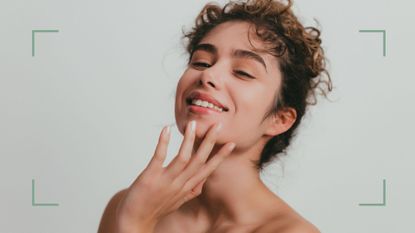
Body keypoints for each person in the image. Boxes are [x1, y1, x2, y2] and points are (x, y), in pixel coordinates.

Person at [98, 0, 333, 232]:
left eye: (242, 72)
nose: (208, 74)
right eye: (201, 62)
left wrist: (135, 224)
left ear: (280, 119)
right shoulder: (126, 205)